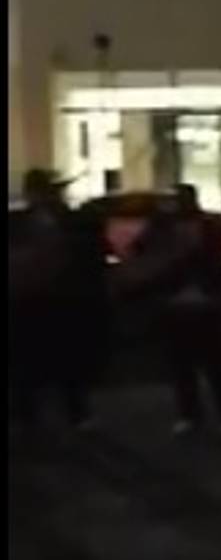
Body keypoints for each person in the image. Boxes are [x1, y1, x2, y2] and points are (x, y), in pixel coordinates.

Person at [129, 184, 221, 435]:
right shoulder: (164, 227)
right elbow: (141, 250)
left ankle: (219, 415)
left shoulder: (205, 226)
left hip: (201, 300)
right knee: (186, 363)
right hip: (181, 300)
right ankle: (198, 414)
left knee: (210, 363)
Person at [8, 169, 109, 432]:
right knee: (41, 362)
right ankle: (48, 416)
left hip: (51, 299)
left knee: (53, 361)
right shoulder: (42, 220)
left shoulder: (50, 220)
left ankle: (60, 415)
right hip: (42, 299)